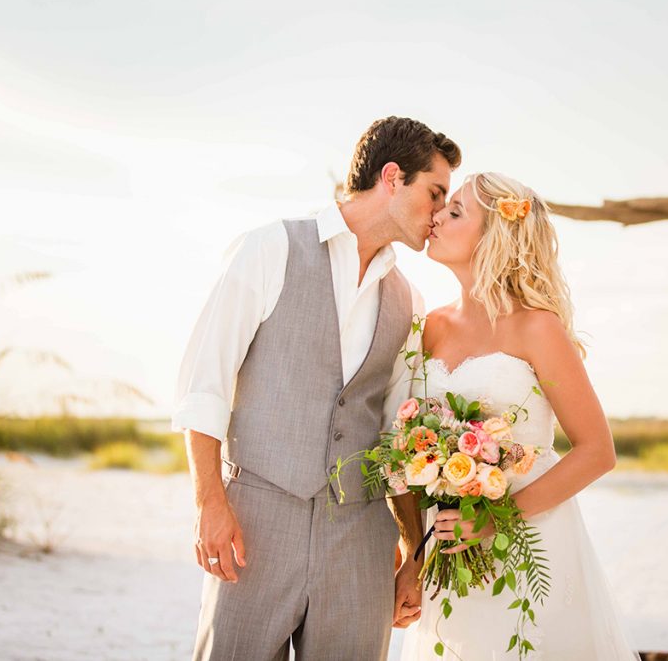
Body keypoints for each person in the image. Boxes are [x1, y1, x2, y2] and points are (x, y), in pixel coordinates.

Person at [171, 116, 461, 660]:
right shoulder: (270, 248)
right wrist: (209, 502)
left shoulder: (409, 302)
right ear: (393, 177)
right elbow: (204, 383)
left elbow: (397, 439)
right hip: (254, 523)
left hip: (360, 539)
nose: (441, 212)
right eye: (435, 192)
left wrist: (411, 550)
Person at [399, 172, 640, 659]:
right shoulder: (426, 328)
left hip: (529, 548)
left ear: (493, 235)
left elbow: (597, 452)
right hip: (449, 552)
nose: (437, 216)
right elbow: (404, 447)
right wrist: (412, 558)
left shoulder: (537, 327)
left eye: (456, 211)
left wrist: (493, 519)